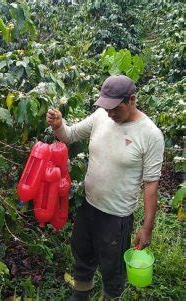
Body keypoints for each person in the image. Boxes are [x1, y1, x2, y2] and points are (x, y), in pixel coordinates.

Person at [46, 75, 164, 300]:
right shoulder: (102, 115)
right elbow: (69, 135)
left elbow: (151, 185)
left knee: (112, 269)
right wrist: (59, 125)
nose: (110, 114)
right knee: (82, 255)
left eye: (115, 109)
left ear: (131, 100)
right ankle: (81, 294)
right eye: (106, 108)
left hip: (116, 217)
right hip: (89, 205)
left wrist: (146, 228)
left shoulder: (150, 135)